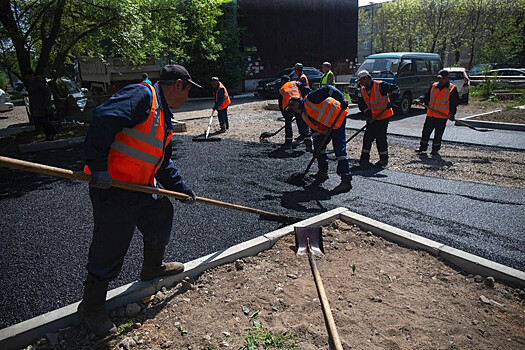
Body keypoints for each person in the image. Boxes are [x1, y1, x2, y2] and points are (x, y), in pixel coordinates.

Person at [80, 64, 200, 336]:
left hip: (141, 187)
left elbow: (161, 162)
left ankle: (151, 268)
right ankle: (92, 307)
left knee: (160, 213)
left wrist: (181, 188)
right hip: (114, 187)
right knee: (111, 244)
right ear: (177, 84)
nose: (188, 98)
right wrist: (98, 167)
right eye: (189, 91)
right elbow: (102, 118)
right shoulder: (142, 96)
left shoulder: (163, 115)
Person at [288, 85, 352, 193]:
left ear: (296, 103)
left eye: (292, 108)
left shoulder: (311, 98)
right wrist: (316, 147)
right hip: (327, 126)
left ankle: (346, 180)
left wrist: (341, 99)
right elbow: (315, 129)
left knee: (339, 150)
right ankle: (323, 172)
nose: (293, 111)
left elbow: (329, 89)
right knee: (318, 147)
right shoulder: (304, 115)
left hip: (338, 118)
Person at [356, 70, 399, 167]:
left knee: (380, 137)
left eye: (361, 80)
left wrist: (391, 101)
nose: (360, 83)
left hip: (383, 116)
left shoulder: (380, 85)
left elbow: (395, 89)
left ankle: (383, 159)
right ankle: (364, 159)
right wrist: (367, 115)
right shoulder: (362, 90)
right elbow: (363, 104)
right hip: (372, 117)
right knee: (367, 138)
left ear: (366, 78)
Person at [415, 69, 459, 156]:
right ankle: (423, 147)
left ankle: (435, 149)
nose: (441, 80)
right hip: (431, 114)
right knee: (426, 132)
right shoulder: (434, 86)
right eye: (439, 78)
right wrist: (419, 99)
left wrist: (452, 114)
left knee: (438, 134)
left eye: (443, 79)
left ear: (447, 78)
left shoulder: (452, 89)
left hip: (442, 116)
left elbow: (453, 103)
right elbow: (426, 96)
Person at [278, 75, 311, 150]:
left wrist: (284, 114)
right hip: (298, 102)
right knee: (302, 120)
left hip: (287, 106)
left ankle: (288, 141)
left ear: (282, 81)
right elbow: (306, 89)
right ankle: (306, 138)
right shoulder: (295, 83)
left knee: (288, 124)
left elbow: (280, 103)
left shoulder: (281, 88)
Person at [24, 70, 57, 141]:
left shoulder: (40, 82)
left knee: (43, 120)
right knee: (39, 120)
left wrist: (46, 104)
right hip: (36, 105)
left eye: (28, 76)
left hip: (42, 104)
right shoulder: (30, 84)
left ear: (31, 75)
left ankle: (52, 131)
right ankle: (49, 135)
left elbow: (47, 93)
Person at [289, 62, 312, 148]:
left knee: (303, 118)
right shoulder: (299, 77)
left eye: (295, 69)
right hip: (299, 100)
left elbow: (304, 90)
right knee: (299, 118)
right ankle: (302, 134)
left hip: (302, 101)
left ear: (298, 70)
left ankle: (306, 135)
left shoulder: (302, 78)